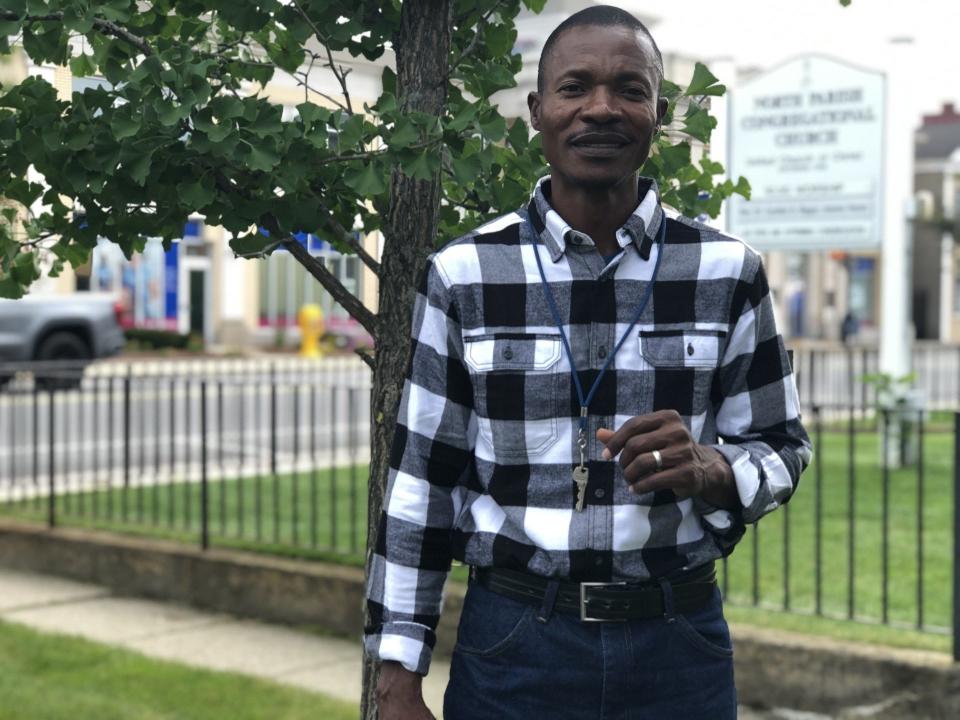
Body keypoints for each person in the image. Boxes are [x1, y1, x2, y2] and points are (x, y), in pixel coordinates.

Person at [365, 6, 812, 719]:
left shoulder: (729, 272)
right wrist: (395, 680)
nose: (601, 108)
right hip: (515, 644)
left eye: (628, 89)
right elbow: (422, 484)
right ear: (538, 112)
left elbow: (784, 448)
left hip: (678, 648)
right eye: (575, 87)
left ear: (659, 114)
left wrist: (711, 469)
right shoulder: (465, 275)